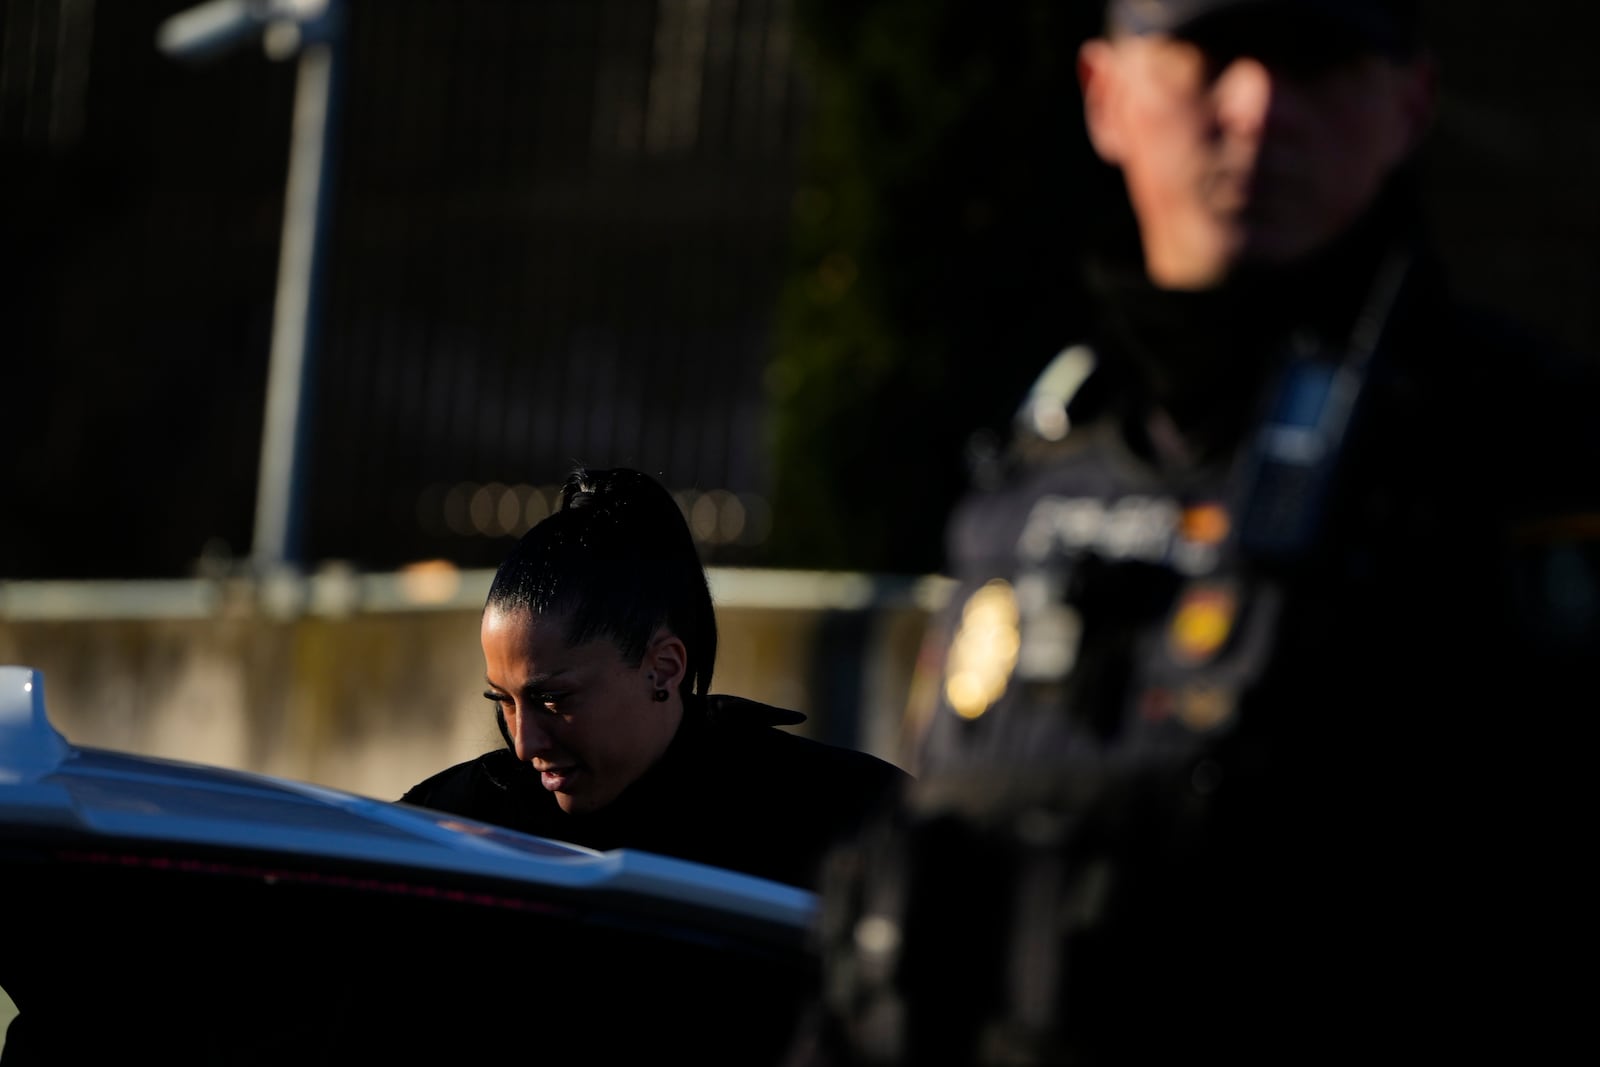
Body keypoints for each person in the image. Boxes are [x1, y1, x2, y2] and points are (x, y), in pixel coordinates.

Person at [788, 2, 1600, 1064]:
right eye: (1210, 50)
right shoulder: (1031, 467)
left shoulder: (1528, 460)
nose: (1259, 106)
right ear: (1103, 93)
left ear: (1411, 103)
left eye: (1316, 55)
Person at [400, 465, 912, 893]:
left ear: (664, 667)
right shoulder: (459, 825)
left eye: (552, 698)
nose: (523, 743)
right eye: (504, 701)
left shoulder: (836, 822)